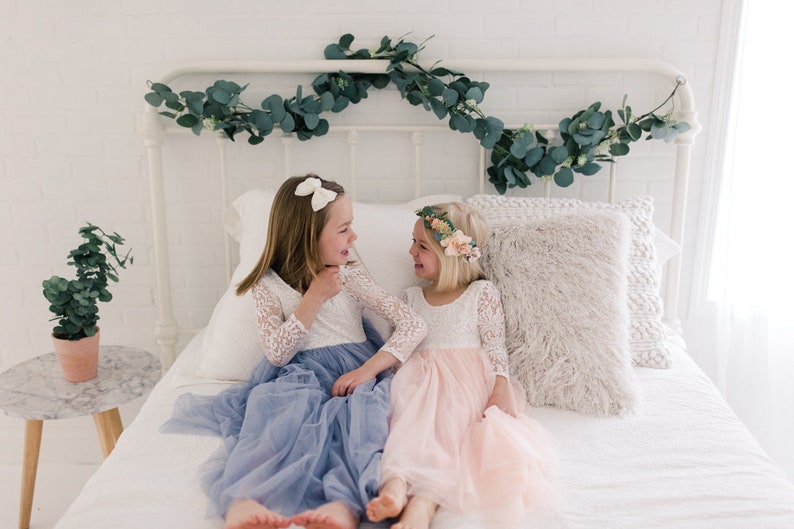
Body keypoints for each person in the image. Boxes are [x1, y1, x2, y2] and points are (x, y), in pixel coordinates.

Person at [162, 174, 427, 529]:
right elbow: (277, 353)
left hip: (355, 370)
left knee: (359, 429)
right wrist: (314, 297)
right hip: (299, 373)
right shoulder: (268, 285)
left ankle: (343, 506)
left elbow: (413, 324)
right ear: (309, 234)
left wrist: (366, 372)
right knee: (274, 423)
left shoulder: (350, 277)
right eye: (344, 229)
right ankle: (244, 499)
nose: (354, 237)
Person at [366, 202, 557, 529]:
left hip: (466, 382)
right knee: (407, 426)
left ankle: (424, 505)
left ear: (451, 253)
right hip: (418, 382)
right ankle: (395, 486)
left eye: (422, 246)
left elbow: (495, 346)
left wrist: (500, 387)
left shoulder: (480, 293)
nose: (410, 250)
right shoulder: (411, 297)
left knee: (454, 434)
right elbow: (400, 347)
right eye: (413, 241)